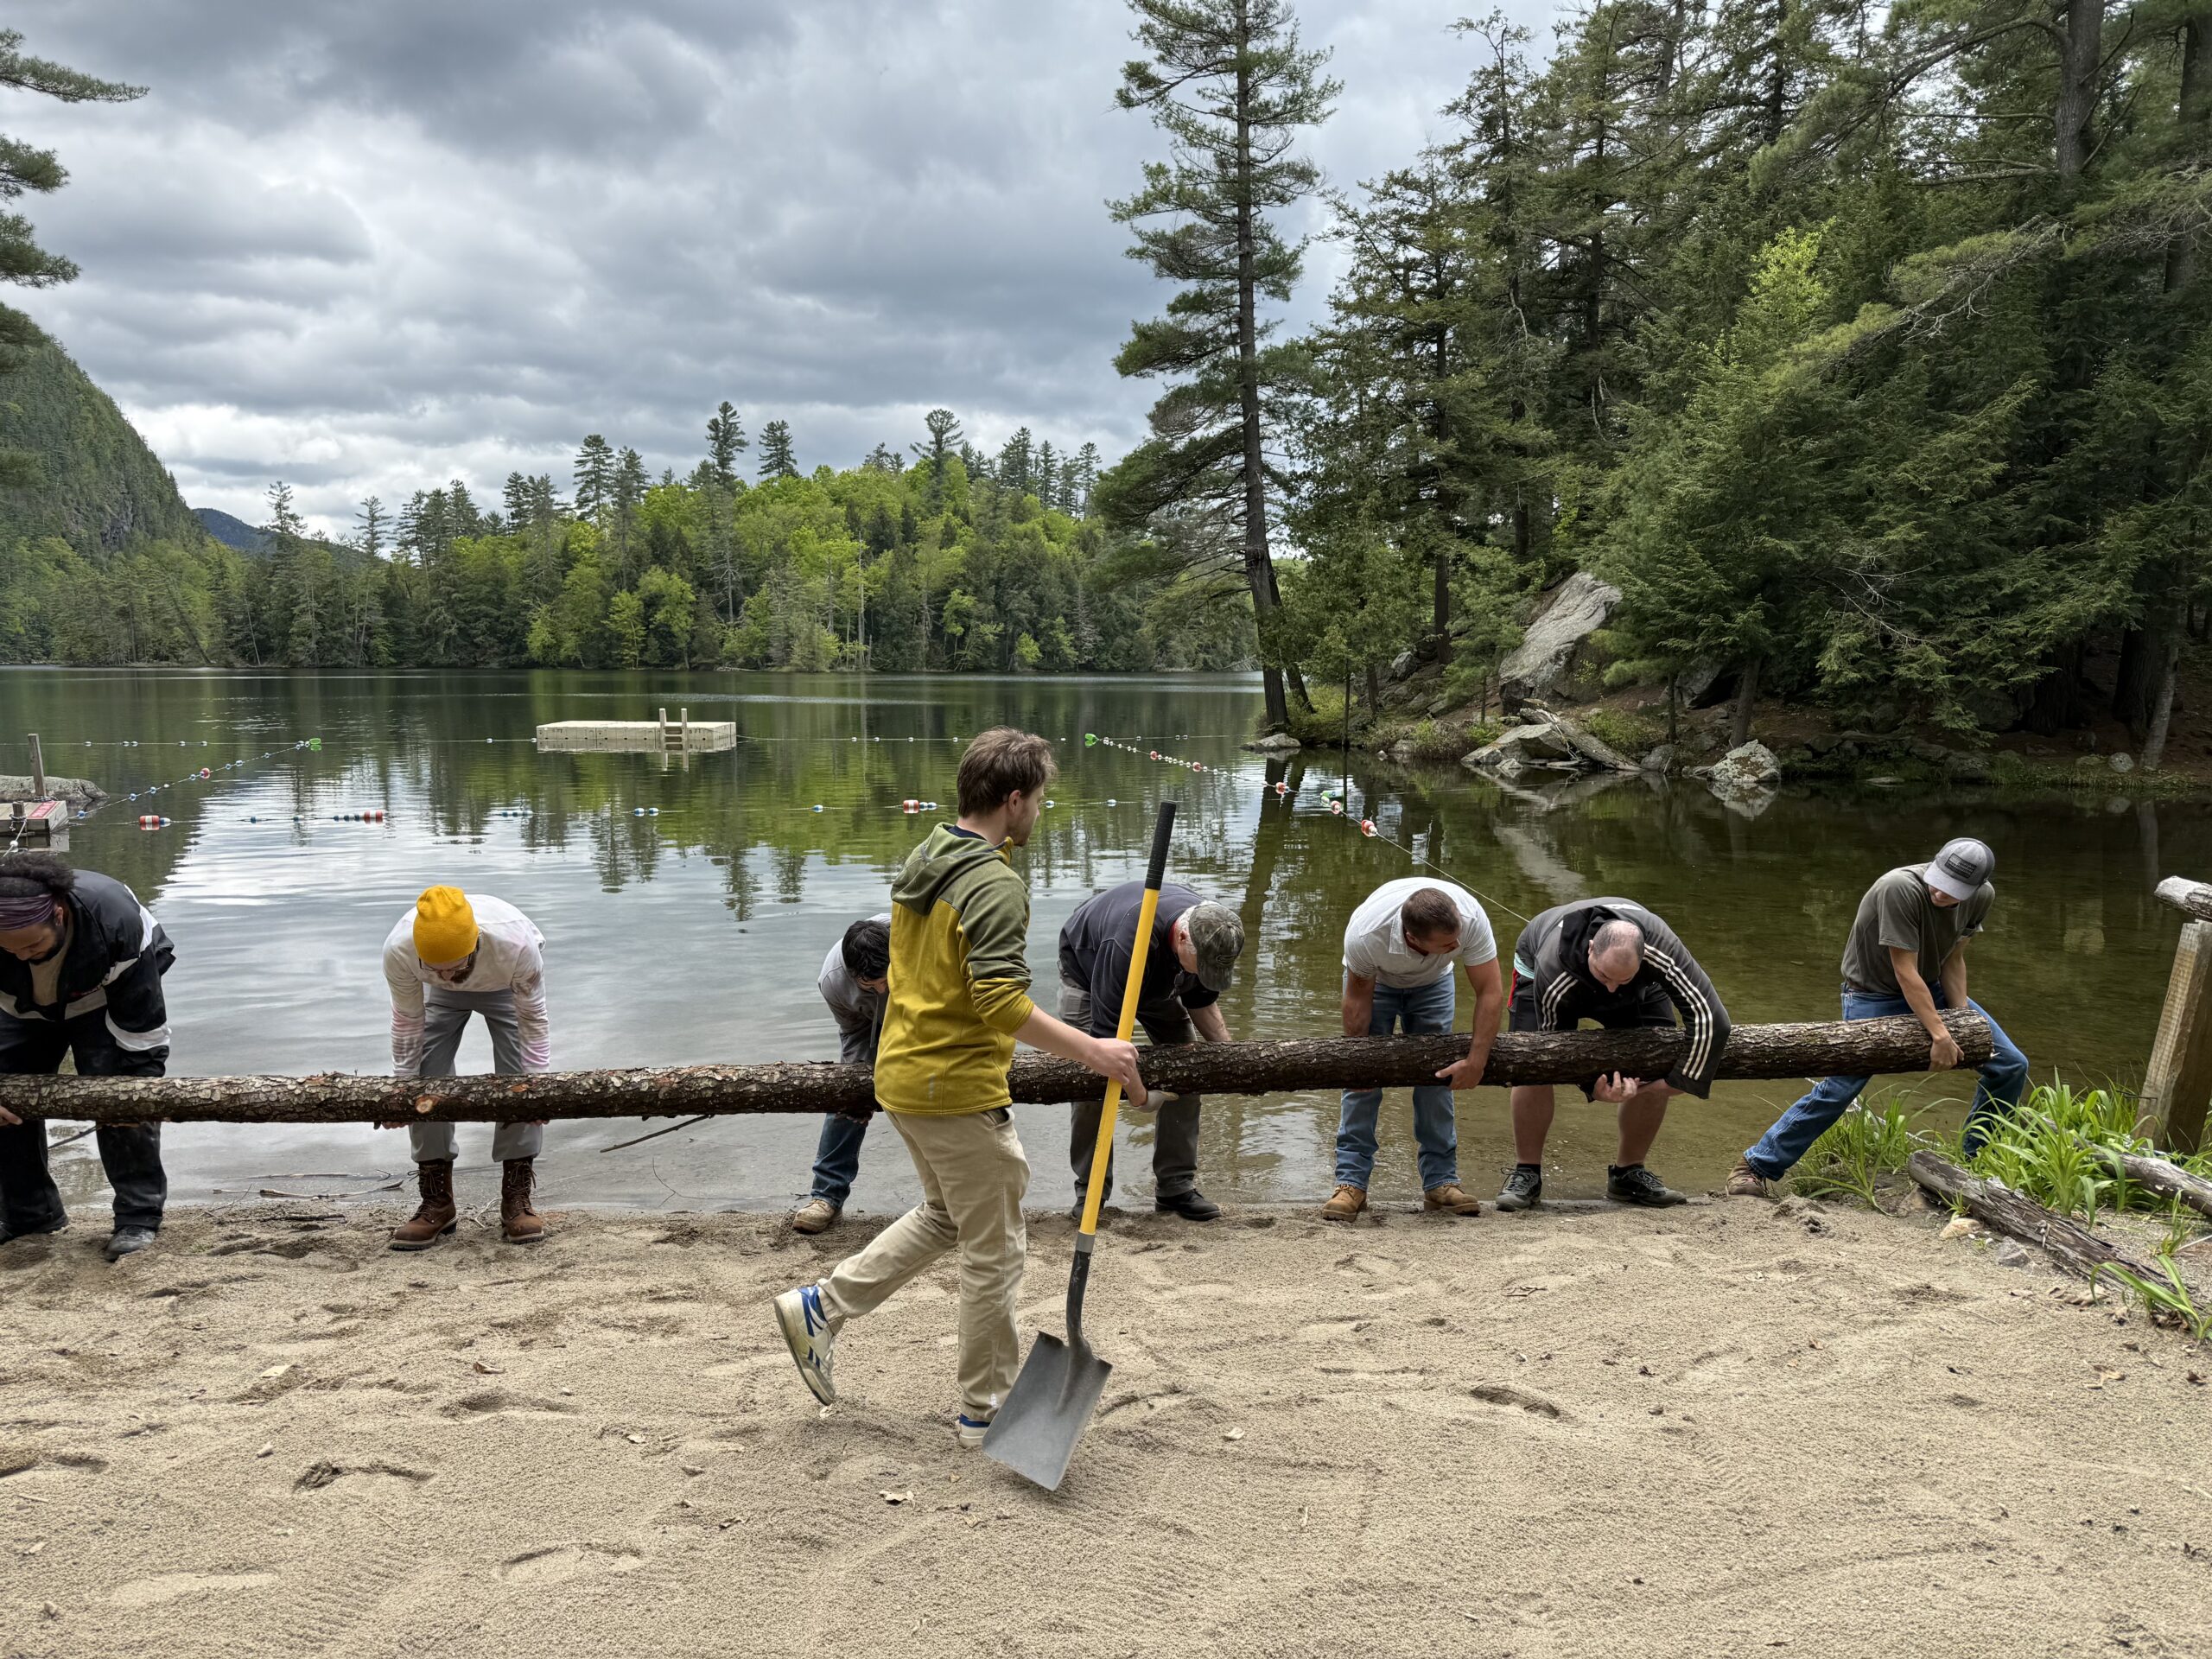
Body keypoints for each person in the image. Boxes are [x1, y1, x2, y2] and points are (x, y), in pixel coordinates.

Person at [772, 728, 1147, 1451]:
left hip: (903, 1074)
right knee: (997, 1249)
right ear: (1013, 799)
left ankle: (822, 1306)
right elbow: (1001, 1002)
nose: (1040, 811)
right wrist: (1094, 1051)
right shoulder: (993, 884)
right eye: (1037, 799)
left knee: (948, 1218)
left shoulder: (929, 856)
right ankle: (988, 1407)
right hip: (953, 1086)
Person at [1730, 838, 2027, 1197]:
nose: (1940, 894)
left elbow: (1953, 959)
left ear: (1975, 889)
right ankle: (1754, 1167)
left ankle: (1971, 1164)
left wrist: (1960, 1023)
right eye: (1939, 882)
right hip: (1872, 994)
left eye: (1953, 892)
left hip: (1929, 987)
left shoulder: (1983, 897)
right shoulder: (1898, 888)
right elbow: (1904, 969)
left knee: (2010, 1065)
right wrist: (1939, 1034)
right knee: (1842, 1086)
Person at [1499, 896, 1730, 1211]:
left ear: (1645, 956)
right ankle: (1527, 1172)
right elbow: (1556, 1049)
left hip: (1641, 984)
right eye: (1605, 977)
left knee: (1656, 1058)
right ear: (1591, 947)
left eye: (1622, 980)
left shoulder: (1661, 951)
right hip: (1547, 970)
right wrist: (1591, 1086)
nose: (1611, 989)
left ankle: (1628, 1174)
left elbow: (1712, 1018)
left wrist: (1683, 1080)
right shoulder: (1555, 970)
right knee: (1532, 1063)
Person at [0, 853, 172, 1260]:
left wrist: (141, 1089)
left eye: (33, 944)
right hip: (17, 1006)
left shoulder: (116, 923)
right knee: (5, 1099)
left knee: (119, 1093)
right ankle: (31, 1215)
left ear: (58, 915)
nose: (23, 955)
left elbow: (143, 1028)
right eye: (9, 950)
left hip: (103, 997)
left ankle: (138, 1217)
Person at [1058, 880, 1244, 1221]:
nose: (1207, 976)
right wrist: (1143, 1098)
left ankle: (1175, 1188)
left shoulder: (1212, 930)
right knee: (1090, 1085)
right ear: (1183, 938)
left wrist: (1233, 1062)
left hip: (1159, 977)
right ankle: (1091, 1193)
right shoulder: (1128, 942)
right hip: (1089, 976)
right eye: (1203, 967)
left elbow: (1201, 1003)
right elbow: (1106, 1047)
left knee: (1188, 1070)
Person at [1322, 879, 1504, 1223]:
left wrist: (1476, 1062)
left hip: (1434, 984)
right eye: (1448, 944)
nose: (1458, 944)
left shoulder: (1471, 920)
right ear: (1413, 939)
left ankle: (1441, 1183)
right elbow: (1358, 999)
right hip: (1376, 983)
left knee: (1439, 1080)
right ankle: (1351, 1184)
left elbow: (1491, 992)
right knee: (1362, 1084)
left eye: (1457, 938)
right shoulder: (1368, 934)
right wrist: (1358, 1061)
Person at [380, 887, 552, 1249]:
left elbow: (534, 1019)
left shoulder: (514, 943)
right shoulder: (400, 950)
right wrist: (402, 1089)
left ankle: (516, 1201)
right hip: (437, 996)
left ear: (475, 944)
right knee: (424, 1079)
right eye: (435, 967)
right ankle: (437, 1204)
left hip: (504, 984)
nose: (446, 975)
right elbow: (407, 1020)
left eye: (454, 967)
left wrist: (537, 1089)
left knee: (520, 1078)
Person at [791, 914, 892, 1235]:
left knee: (936, 1086)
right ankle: (826, 1196)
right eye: (870, 984)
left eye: (886, 979)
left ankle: (957, 1195)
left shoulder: (924, 940)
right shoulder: (833, 981)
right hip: (864, 1021)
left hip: (928, 1000)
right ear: (852, 974)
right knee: (851, 1094)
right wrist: (863, 1083)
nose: (881, 988)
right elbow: (854, 1032)